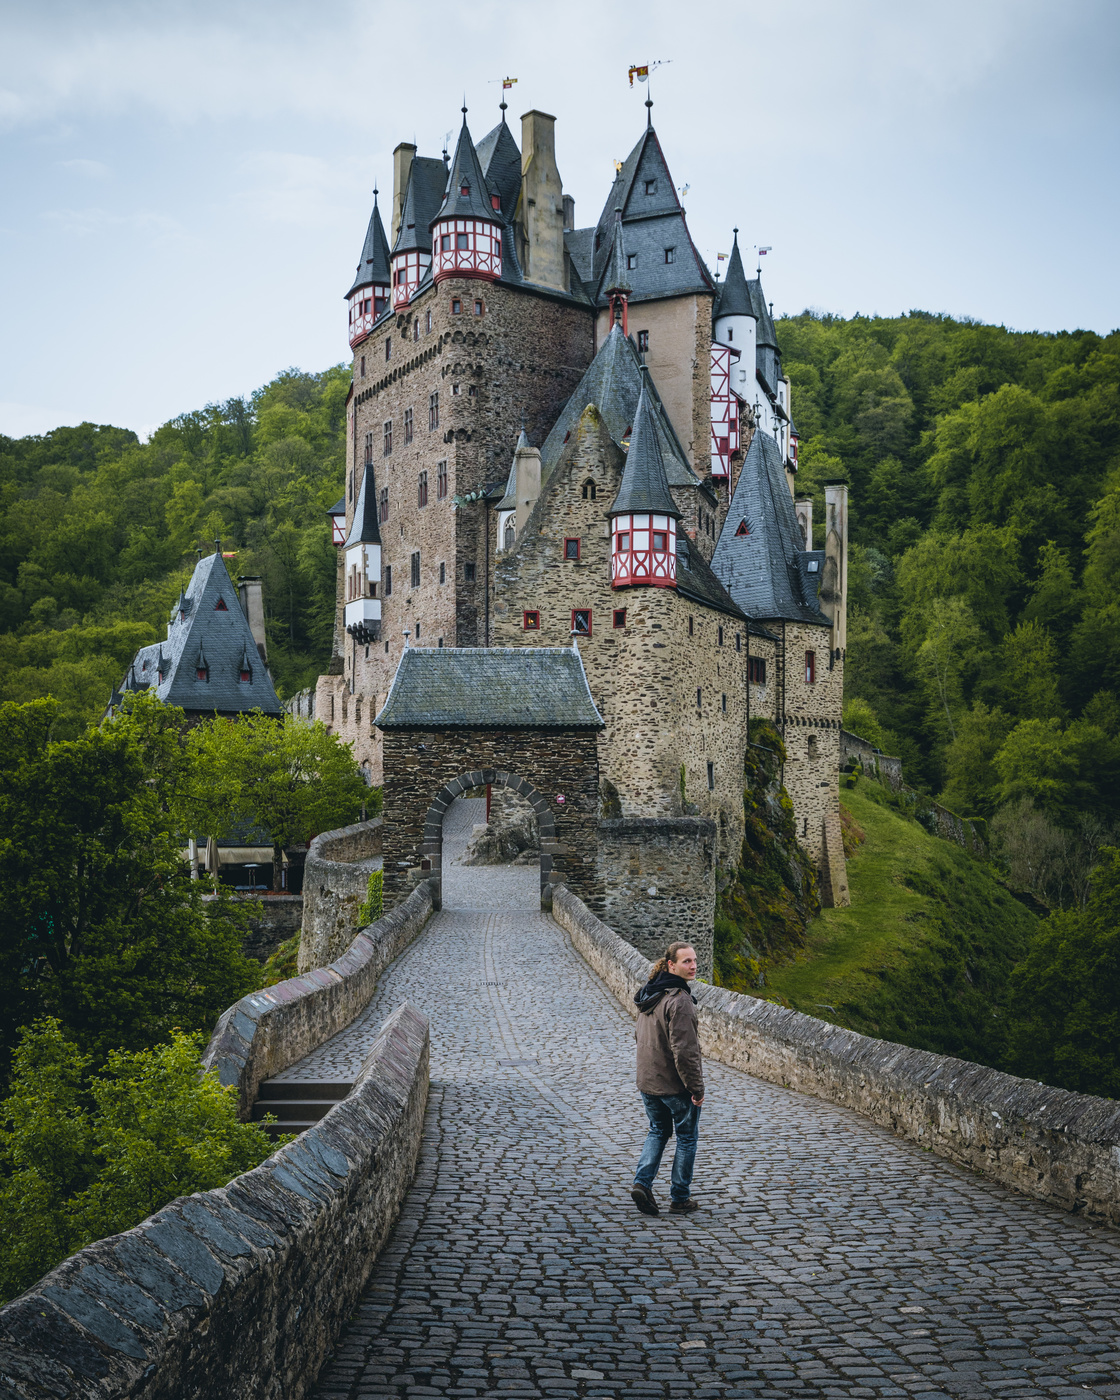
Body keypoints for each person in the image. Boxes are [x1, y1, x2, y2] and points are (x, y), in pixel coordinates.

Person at [630, 941, 704, 1216]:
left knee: (658, 1131)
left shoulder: (650, 993)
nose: (693, 966)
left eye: (694, 960)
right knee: (686, 1138)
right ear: (671, 965)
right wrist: (696, 1088)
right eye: (686, 961)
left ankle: (642, 1183)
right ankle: (680, 1197)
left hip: (648, 1081)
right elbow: (685, 1051)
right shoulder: (679, 1000)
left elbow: (638, 1036)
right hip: (674, 1086)